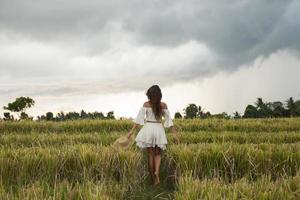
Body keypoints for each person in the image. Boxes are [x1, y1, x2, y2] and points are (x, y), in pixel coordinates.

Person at [126, 85, 180, 186]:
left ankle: (152, 178)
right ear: (159, 94)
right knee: (158, 153)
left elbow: (138, 120)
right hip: (158, 128)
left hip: (148, 128)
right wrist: (175, 134)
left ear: (149, 95)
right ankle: (157, 172)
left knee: (150, 154)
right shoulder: (164, 105)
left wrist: (131, 132)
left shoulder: (146, 104)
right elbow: (169, 122)